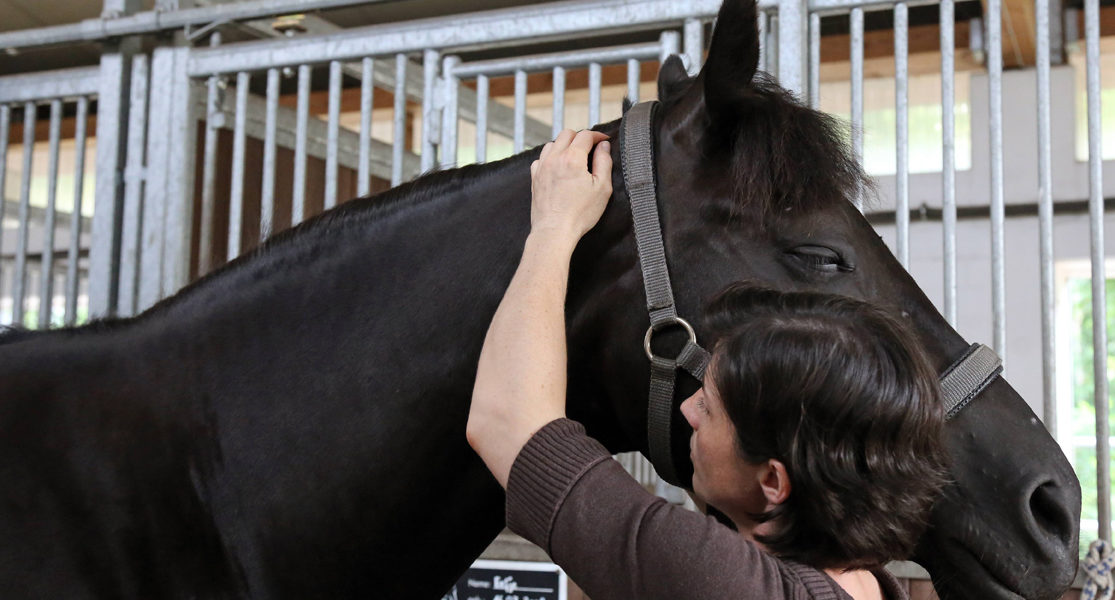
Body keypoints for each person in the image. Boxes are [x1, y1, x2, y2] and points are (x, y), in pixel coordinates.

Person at [466, 129, 949, 600]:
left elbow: (507, 421)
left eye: (711, 408)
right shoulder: (874, 583)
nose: (688, 409)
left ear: (774, 483)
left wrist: (554, 224)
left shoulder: (720, 579)